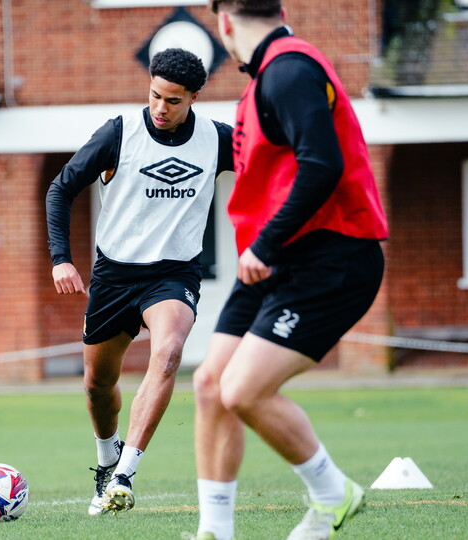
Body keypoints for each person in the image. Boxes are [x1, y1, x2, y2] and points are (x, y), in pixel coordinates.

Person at [193, 1, 388, 539]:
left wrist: (268, 243)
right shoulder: (265, 80)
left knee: (242, 391)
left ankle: (333, 494)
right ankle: (216, 532)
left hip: (330, 256)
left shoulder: (289, 69)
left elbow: (321, 163)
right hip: (275, 261)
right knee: (210, 385)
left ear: (224, 22)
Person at [46, 47, 233, 516]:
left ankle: (124, 475)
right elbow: (61, 188)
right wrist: (61, 260)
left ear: (194, 97)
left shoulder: (217, 140)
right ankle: (107, 460)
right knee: (96, 385)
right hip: (114, 274)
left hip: (173, 274)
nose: (161, 108)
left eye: (173, 100)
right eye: (155, 96)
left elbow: (273, 167)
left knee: (168, 351)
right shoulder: (119, 133)